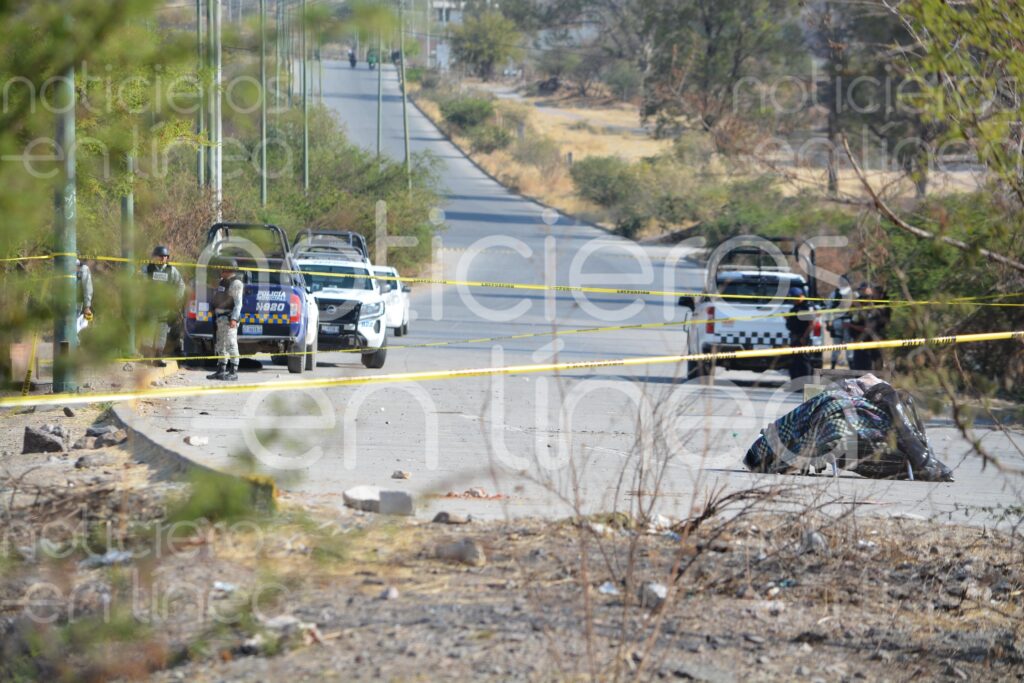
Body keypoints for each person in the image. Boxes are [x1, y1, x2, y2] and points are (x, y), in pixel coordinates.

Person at [141, 245, 186, 366]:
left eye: (165, 256)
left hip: (165, 308)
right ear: (154, 257)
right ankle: (146, 357)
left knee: (161, 333)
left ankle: (158, 358)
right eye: (160, 256)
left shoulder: (172, 271)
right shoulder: (147, 269)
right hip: (150, 306)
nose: (162, 259)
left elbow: (181, 286)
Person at [207, 257, 244, 381]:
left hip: (228, 319)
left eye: (223, 269)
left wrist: (234, 318)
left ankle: (233, 371)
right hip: (220, 319)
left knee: (231, 344)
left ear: (228, 269)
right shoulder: (222, 281)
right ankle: (221, 370)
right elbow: (218, 296)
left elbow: (238, 303)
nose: (221, 271)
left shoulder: (236, 283)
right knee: (220, 345)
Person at [849, 286, 887, 371]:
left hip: (874, 341)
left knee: (876, 364)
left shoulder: (877, 310)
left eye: (868, 297)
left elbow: (867, 328)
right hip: (860, 342)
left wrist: (851, 326)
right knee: (860, 365)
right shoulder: (859, 311)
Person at [784, 286, 814, 381]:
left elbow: (811, 324)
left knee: (803, 361)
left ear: (800, 296)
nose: (793, 300)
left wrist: (804, 337)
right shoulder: (796, 307)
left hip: (802, 337)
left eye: (794, 298)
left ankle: (805, 383)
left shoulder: (807, 307)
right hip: (795, 337)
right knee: (794, 361)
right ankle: (795, 382)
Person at [76, 259, 93, 329]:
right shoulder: (83, 268)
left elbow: (87, 287)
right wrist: (87, 306)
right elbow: (87, 287)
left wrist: (87, 306)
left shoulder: (83, 268)